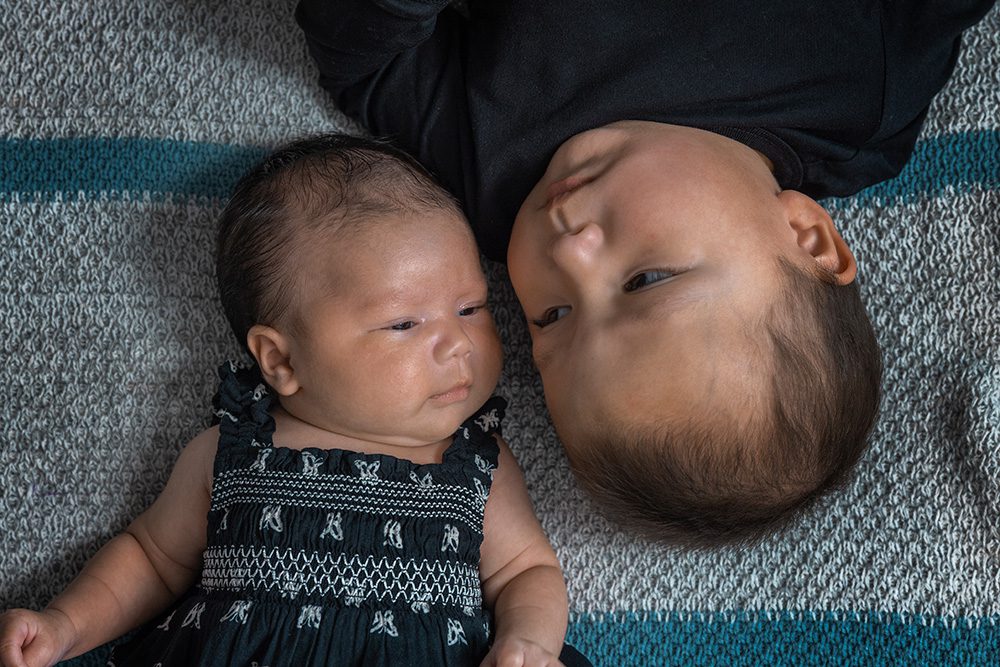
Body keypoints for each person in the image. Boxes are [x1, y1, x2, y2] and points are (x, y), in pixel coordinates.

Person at [293, 0, 996, 544]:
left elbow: (365, 62)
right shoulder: (856, 102)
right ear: (810, 237)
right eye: (647, 282)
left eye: (553, 318)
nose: (568, 252)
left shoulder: (493, 171)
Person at [0, 134, 590, 667]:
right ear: (282, 361)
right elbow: (152, 558)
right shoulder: (231, 453)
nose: (459, 343)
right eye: (403, 323)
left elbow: (525, 571)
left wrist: (528, 643)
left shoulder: (475, 466)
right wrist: (64, 626)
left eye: (470, 308)